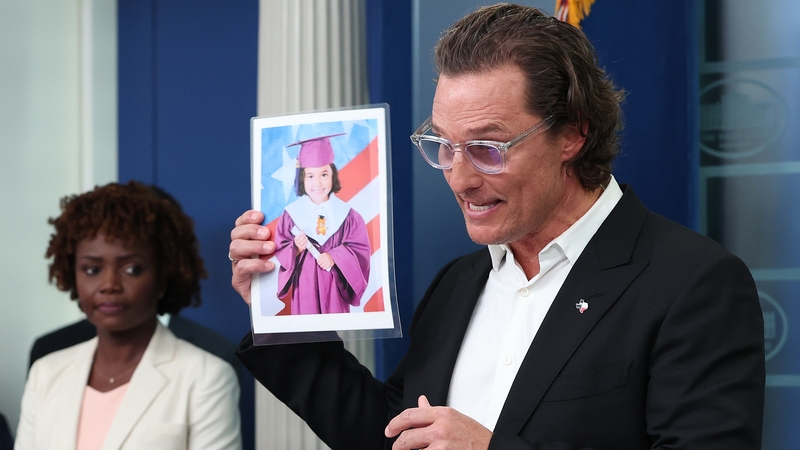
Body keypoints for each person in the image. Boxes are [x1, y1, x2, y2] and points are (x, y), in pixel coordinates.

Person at [229, 4, 765, 450]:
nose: (459, 178)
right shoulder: (457, 284)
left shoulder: (693, 283)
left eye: (487, 148)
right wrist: (282, 309)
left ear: (573, 135)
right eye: (442, 145)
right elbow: (394, 436)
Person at [16, 181, 241, 450]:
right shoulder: (46, 373)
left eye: (132, 269)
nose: (109, 284)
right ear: (71, 273)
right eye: (91, 269)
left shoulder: (206, 376)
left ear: (162, 276)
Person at [274, 133, 371, 314]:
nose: (317, 183)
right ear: (302, 178)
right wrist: (295, 248)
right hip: (304, 288)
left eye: (324, 174)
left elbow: (360, 251)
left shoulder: (349, 217)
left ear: (333, 174)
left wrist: (335, 256)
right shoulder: (291, 215)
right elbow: (280, 249)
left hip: (335, 289)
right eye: (310, 176)